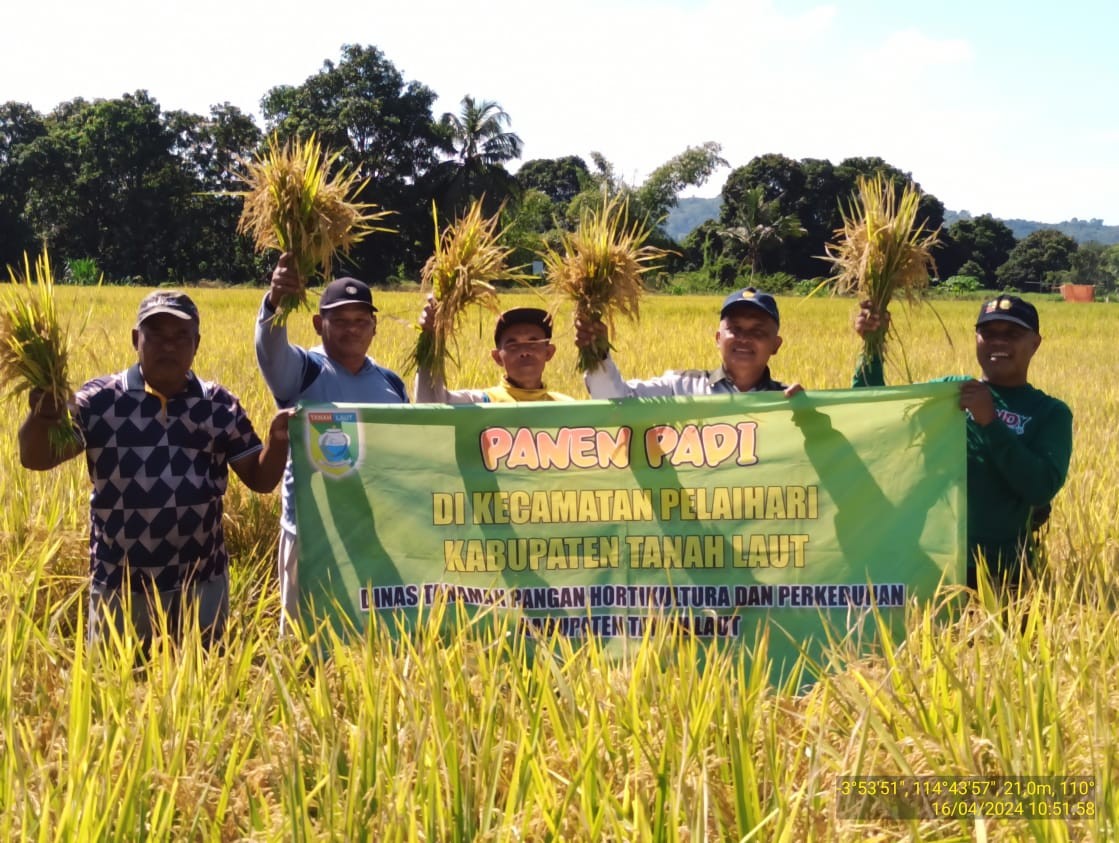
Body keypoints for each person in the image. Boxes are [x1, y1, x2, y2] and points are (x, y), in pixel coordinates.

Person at [18, 290, 291, 649]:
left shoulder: (218, 404)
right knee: (117, 691)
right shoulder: (100, 400)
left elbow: (260, 478)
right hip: (121, 587)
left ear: (197, 343)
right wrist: (43, 416)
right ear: (136, 339)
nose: (168, 346)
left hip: (202, 586)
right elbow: (36, 458)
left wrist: (278, 440)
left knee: (201, 690)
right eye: (156, 334)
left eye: (181, 336)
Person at [853, 295, 1073, 589]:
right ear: (976, 338)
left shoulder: (1049, 412)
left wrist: (990, 423)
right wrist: (872, 345)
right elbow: (875, 410)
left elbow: (1040, 488)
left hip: (1004, 573)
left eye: (1012, 334)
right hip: (932, 565)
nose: (999, 342)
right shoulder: (950, 393)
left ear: (1035, 343)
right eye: (989, 333)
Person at [256, 253, 408, 632]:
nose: (351, 329)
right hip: (311, 532)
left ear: (374, 327)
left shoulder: (391, 384)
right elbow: (271, 354)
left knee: (374, 634)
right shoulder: (304, 370)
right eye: (339, 321)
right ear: (317, 323)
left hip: (377, 532)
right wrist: (276, 301)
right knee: (303, 637)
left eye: (361, 321)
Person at [574, 286, 801, 398]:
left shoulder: (788, 401)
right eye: (735, 329)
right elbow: (617, 402)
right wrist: (598, 353)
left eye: (758, 331)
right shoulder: (680, 387)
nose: (744, 338)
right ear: (718, 338)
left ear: (776, 345)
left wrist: (812, 420)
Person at [414, 296, 574, 403]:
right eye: (513, 345)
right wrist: (432, 339)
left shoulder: (568, 407)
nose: (524, 351)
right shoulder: (482, 403)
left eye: (533, 342)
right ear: (497, 357)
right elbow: (431, 406)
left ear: (549, 352)